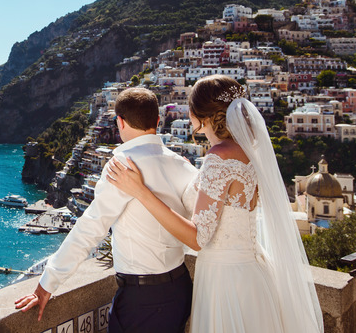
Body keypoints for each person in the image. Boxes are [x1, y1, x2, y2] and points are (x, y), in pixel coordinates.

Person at [106, 75, 324, 332]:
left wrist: (141, 192)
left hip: (225, 279)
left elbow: (198, 238)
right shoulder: (247, 152)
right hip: (254, 273)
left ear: (202, 116)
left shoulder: (218, 158)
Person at [15, 87, 198, 333]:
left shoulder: (122, 166)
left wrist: (47, 283)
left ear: (119, 122)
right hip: (181, 288)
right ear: (158, 120)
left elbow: (90, 228)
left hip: (143, 298)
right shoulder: (183, 165)